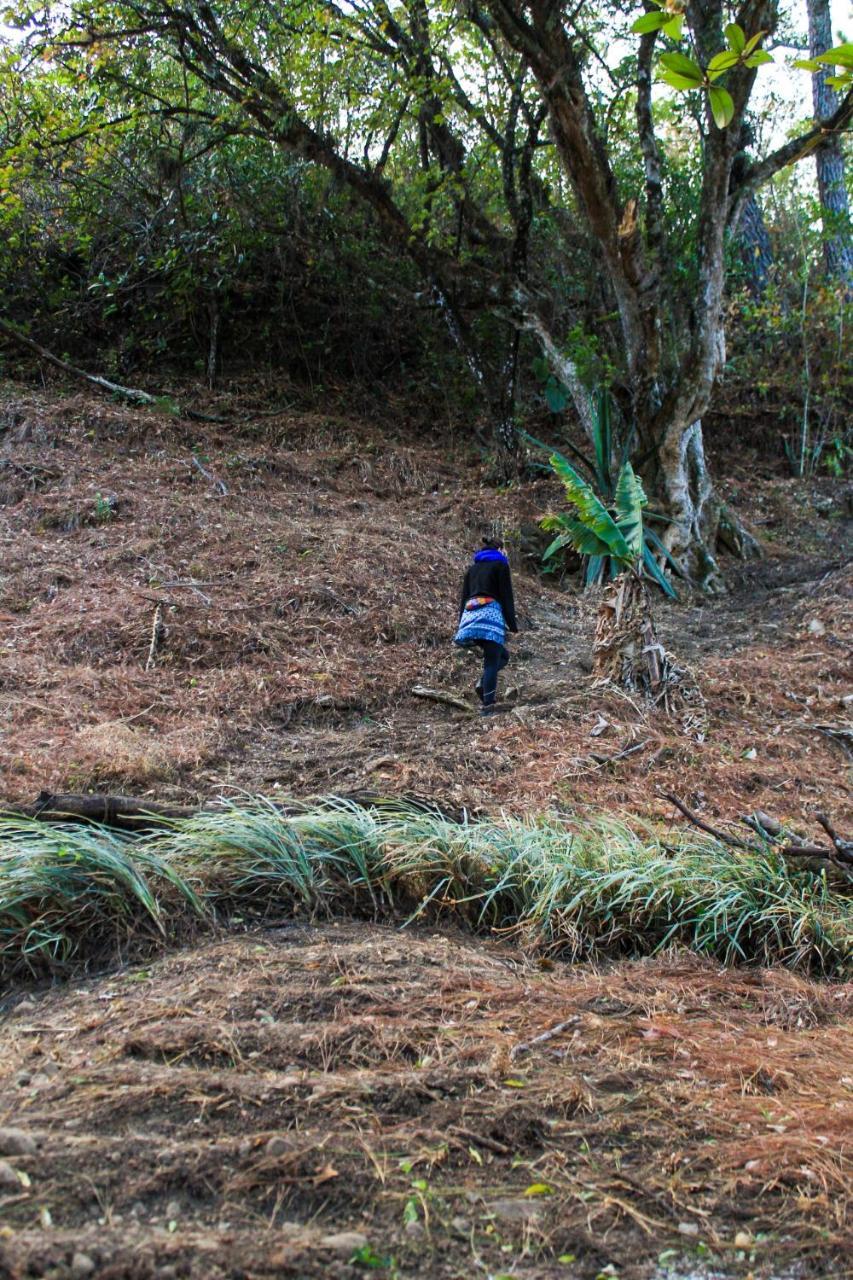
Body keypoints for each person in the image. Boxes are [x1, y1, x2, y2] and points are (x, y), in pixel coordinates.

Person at [454, 536, 518, 715]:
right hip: (490, 615)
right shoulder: (501, 566)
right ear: (499, 550)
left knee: (502, 656)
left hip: (470, 616)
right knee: (491, 662)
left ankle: (483, 684)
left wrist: (461, 626)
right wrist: (512, 624)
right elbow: (506, 596)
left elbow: (464, 598)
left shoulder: (472, 569)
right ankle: (487, 707)